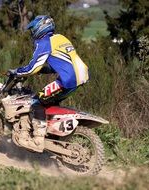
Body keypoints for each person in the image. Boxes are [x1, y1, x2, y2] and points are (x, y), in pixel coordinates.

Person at [8, 15, 89, 152]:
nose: (33, 33)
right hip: (82, 77)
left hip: (67, 80)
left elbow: (33, 67)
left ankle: (38, 141)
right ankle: (53, 136)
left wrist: (17, 71)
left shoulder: (44, 42)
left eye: (33, 29)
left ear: (41, 27)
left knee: (36, 101)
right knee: (49, 102)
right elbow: (61, 63)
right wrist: (43, 70)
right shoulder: (60, 38)